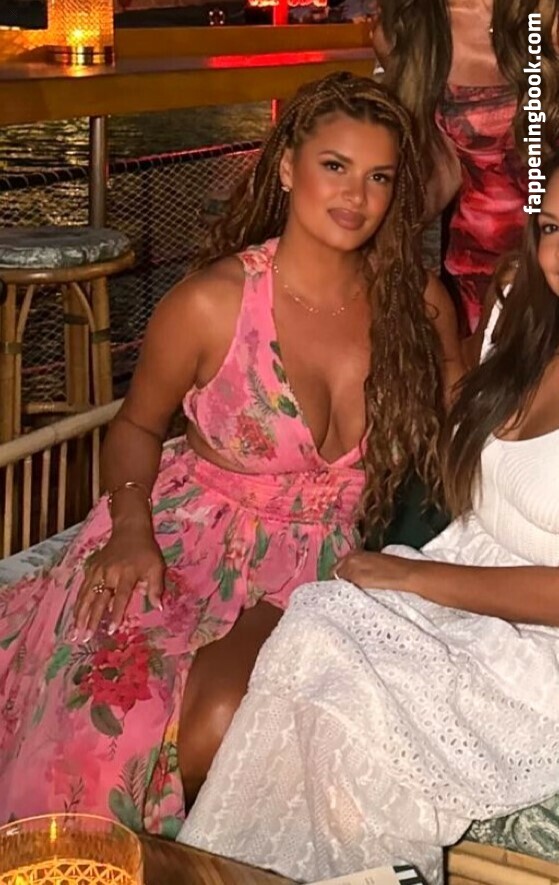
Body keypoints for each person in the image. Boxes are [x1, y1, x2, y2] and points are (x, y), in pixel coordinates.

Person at [0, 73, 463, 836]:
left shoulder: (415, 302)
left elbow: (468, 422)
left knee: (228, 719)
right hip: (184, 544)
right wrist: (130, 528)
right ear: (286, 166)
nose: (355, 195)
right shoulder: (212, 301)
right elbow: (137, 425)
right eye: (334, 166)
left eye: (378, 177)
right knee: (113, 727)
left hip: (324, 564)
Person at [178, 153, 559, 884]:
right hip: (466, 581)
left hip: (539, 646)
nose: (557, 255)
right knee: (314, 633)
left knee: (338, 672)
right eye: (552, 226)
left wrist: (409, 575)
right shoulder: (525, 308)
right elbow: (449, 408)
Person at [371, 0, 559, 332]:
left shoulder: (546, 14)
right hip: (479, 271)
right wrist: (376, 236)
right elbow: (447, 165)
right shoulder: (411, 26)